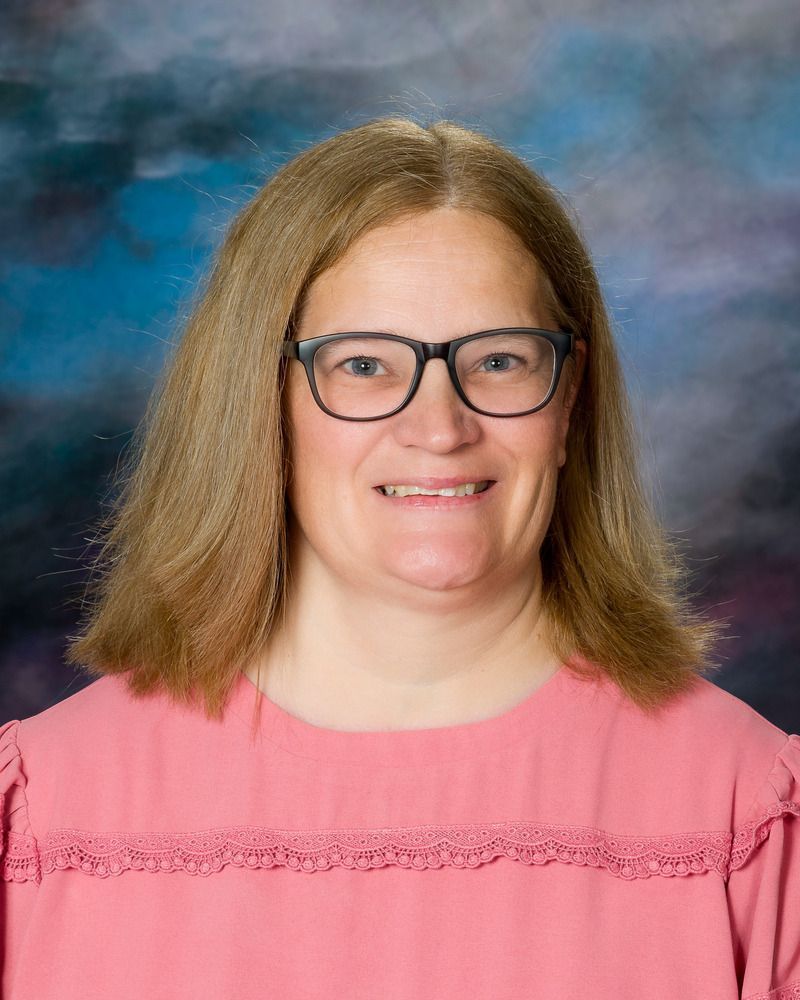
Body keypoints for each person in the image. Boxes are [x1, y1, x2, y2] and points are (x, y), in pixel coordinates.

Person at [1, 115, 797, 1000]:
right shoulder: (40, 820)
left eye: (498, 360)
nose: (439, 427)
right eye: (365, 366)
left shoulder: (747, 817)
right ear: (262, 405)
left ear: (569, 401)